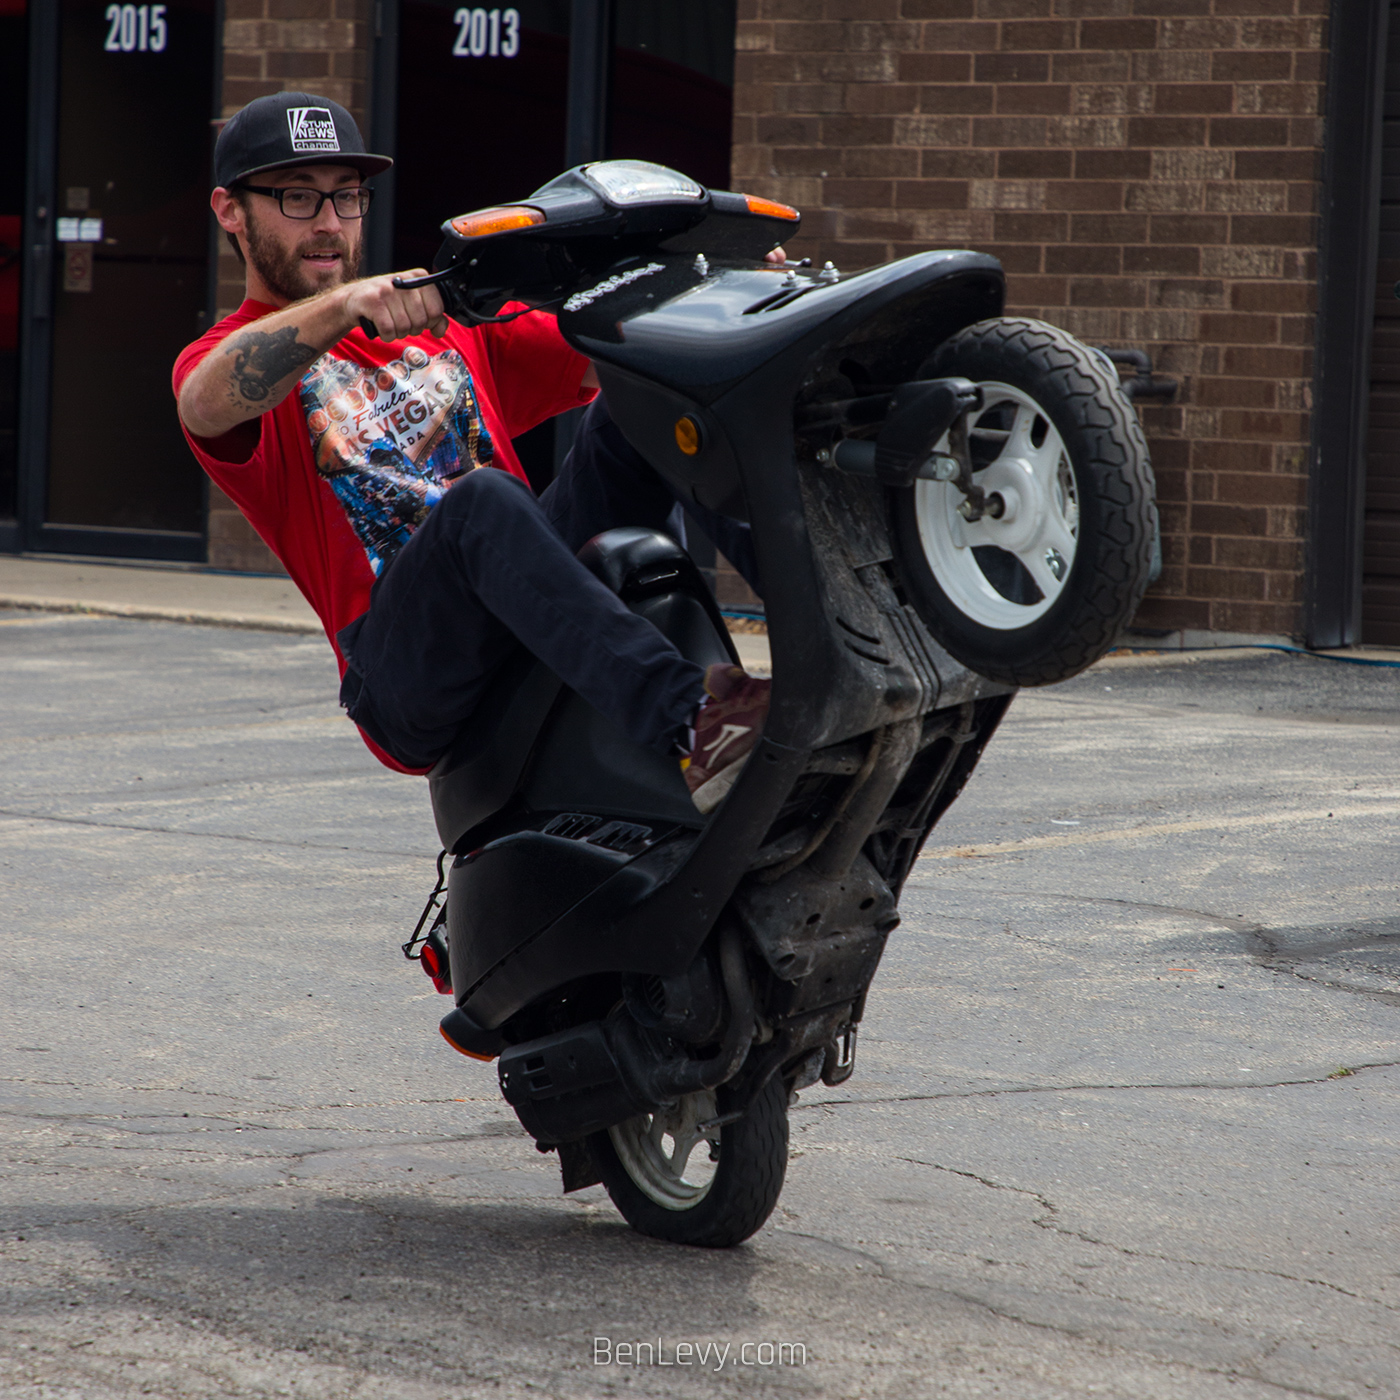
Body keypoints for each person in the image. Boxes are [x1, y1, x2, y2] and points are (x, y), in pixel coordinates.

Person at [173, 92, 770, 812]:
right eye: (297, 197)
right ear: (229, 210)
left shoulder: (445, 326)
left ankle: (831, 631)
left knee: (647, 396)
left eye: (347, 197)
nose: (329, 223)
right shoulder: (225, 361)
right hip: (404, 673)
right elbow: (206, 400)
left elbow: (630, 358)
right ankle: (701, 726)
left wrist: (725, 294)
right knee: (480, 498)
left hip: (525, 602)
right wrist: (344, 307)